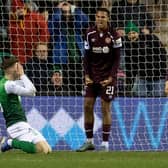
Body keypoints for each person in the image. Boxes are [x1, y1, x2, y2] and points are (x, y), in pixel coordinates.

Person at [76, 8, 122, 152]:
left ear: (108, 18)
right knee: (87, 106)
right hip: (92, 77)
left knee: (105, 107)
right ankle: (89, 141)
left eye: (103, 17)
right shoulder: (89, 33)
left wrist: (111, 77)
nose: (100, 19)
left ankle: (105, 144)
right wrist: (86, 75)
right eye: (98, 16)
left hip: (107, 78)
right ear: (95, 18)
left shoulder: (114, 36)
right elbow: (86, 57)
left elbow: (117, 58)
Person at [0, 56, 51, 154]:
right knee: (41, 150)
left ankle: (11, 142)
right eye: (17, 66)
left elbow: (32, 91)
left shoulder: (7, 83)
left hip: (22, 123)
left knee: (48, 149)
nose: (20, 68)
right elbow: (32, 92)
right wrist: (23, 75)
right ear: (10, 69)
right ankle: (11, 142)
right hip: (16, 125)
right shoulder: (8, 85)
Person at [48, 1, 89, 96]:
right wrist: (58, 10)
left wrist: (74, 8)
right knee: (65, 89)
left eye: (68, 12)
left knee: (79, 88)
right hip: (62, 63)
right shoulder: (57, 31)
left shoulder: (77, 28)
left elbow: (85, 20)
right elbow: (53, 23)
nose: (66, 15)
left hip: (78, 62)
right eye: (64, 13)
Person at [124, 21, 167, 97]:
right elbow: (129, 67)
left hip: (158, 77)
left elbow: (163, 56)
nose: (131, 36)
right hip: (142, 77)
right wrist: (129, 82)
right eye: (129, 34)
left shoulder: (151, 38)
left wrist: (166, 77)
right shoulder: (128, 47)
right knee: (140, 97)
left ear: (138, 32)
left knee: (157, 99)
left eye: (133, 33)